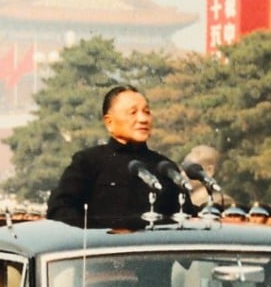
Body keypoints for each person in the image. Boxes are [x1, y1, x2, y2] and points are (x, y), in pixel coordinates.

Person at [46, 85, 186, 230]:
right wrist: (109, 231)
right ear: (109, 122)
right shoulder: (88, 162)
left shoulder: (164, 167)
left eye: (147, 112)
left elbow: (185, 216)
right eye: (133, 112)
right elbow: (59, 211)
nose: (143, 119)